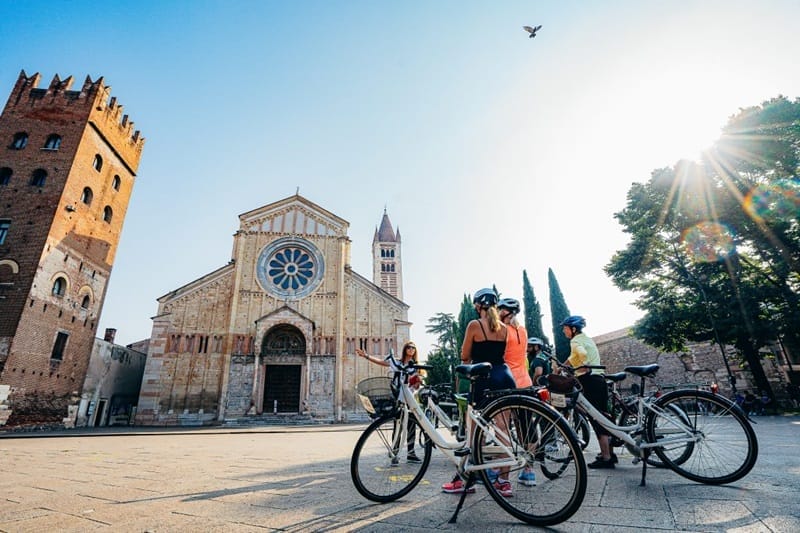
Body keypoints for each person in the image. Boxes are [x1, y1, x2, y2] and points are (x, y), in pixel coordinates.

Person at [442, 288, 516, 496]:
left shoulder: (475, 325)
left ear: (477, 306)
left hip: (484, 378)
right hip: (504, 376)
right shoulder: (504, 328)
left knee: (476, 432)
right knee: (503, 429)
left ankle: (468, 479)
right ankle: (504, 481)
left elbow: (465, 355)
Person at [558, 315, 616, 469]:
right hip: (599, 379)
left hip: (589, 380)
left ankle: (606, 458)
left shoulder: (575, 341)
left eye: (565, 328)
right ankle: (610, 452)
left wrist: (584, 367)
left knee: (596, 417)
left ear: (573, 329)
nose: (564, 331)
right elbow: (573, 357)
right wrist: (561, 367)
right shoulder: (586, 339)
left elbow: (581, 354)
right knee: (603, 415)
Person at [356, 341, 422, 464]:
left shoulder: (416, 367)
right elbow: (382, 362)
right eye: (409, 347)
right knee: (398, 425)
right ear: (405, 349)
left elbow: (417, 385)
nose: (411, 349)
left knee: (411, 425)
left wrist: (417, 382)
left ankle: (411, 453)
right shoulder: (397, 362)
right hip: (398, 397)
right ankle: (394, 452)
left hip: (410, 398)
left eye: (413, 348)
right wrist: (366, 356)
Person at [497, 298, 536, 487]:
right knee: (526, 428)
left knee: (502, 426)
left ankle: (502, 476)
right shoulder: (523, 330)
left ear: (504, 312)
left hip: (508, 382)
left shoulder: (503, 331)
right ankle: (528, 471)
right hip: (525, 382)